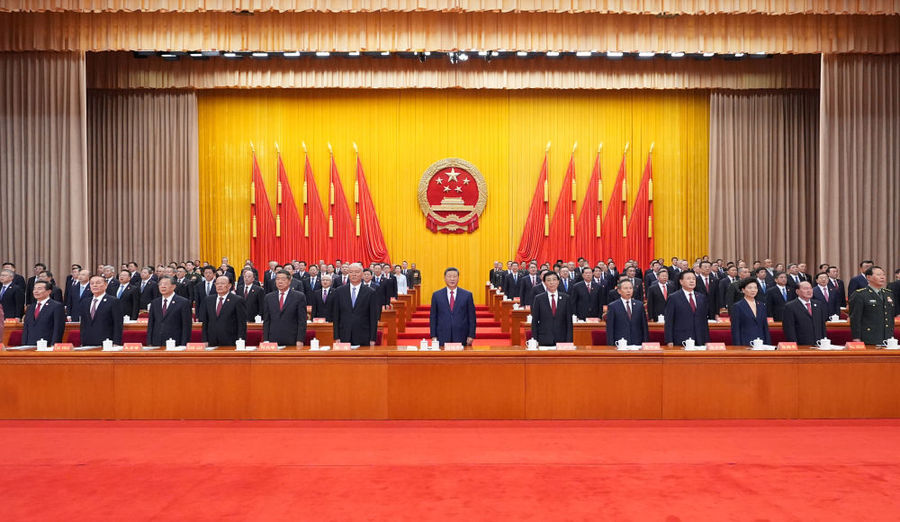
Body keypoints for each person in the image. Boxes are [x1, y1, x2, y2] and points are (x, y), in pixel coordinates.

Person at [332, 263, 379, 346]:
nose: (354, 274)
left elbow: (373, 317)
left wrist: (372, 338)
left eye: (357, 272)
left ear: (362, 274)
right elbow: (336, 316)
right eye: (351, 272)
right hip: (344, 334)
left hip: (364, 335)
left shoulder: (370, 292)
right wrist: (336, 336)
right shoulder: (339, 291)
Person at [429, 267, 477, 346]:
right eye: (449, 276)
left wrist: (471, 335)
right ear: (444, 278)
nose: (452, 279)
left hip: (462, 335)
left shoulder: (467, 295)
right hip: (442, 335)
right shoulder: (437, 295)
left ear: (458, 278)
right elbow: (433, 317)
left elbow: (472, 317)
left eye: (454, 276)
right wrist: (433, 335)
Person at [849, 266, 895, 345]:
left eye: (883, 275)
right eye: (878, 275)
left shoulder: (888, 293)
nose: (882, 277)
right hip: (868, 337)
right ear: (868, 277)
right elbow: (855, 318)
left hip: (887, 338)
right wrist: (856, 338)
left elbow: (890, 316)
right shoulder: (860, 294)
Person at [262, 270, 308, 346]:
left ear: (289, 281)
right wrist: (266, 339)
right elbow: (266, 320)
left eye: (283, 279)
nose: (280, 282)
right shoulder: (269, 297)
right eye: (277, 279)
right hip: (273, 339)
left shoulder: (299, 296)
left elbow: (302, 321)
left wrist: (300, 340)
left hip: (292, 339)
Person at [664, 271, 710, 346]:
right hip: (681, 339)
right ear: (681, 282)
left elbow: (704, 321)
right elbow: (669, 321)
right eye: (688, 279)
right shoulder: (673, 297)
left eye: (693, 279)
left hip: (700, 339)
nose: (692, 281)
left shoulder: (701, 297)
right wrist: (669, 340)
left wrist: (706, 340)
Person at [199, 275, 247, 346]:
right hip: (212, 341)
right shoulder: (208, 300)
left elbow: (241, 323)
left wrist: (240, 341)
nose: (219, 286)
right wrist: (205, 340)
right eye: (217, 283)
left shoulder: (237, 300)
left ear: (229, 286)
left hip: (230, 341)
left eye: (222, 283)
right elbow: (205, 322)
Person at [529, 271, 573, 346]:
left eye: (554, 279)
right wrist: (535, 340)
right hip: (544, 339)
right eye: (548, 280)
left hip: (562, 339)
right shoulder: (539, 298)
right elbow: (535, 321)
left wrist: (569, 341)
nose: (551, 282)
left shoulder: (566, 298)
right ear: (544, 283)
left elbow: (569, 322)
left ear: (558, 282)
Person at [146, 276, 192, 346]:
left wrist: (184, 345)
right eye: (160, 284)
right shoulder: (155, 302)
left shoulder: (183, 302)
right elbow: (151, 324)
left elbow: (186, 326)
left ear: (173, 286)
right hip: (157, 342)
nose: (162, 286)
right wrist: (149, 342)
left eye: (165, 284)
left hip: (175, 342)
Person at [78, 275, 124, 345]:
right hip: (87, 342)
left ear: (105, 285)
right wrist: (82, 341)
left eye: (98, 283)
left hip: (106, 342)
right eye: (92, 283)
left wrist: (116, 343)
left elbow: (118, 324)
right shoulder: (85, 302)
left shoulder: (113, 301)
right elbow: (83, 324)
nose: (94, 285)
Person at [605, 279, 649, 346]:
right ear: (619, 291)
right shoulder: (613, 306)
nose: (628, 291)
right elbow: (610, 328)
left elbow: (644, 327)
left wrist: (645, 343)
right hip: (620, 344)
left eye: (630, 288)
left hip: (637, 344)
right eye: (625, 288)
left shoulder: (639, 305)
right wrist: (611, 345)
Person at [22, 281, 65, 345]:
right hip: (30, 345)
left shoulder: (56, 306)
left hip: (47, 344)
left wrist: (54, 345)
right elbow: (26, 328)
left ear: (49, 291)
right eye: (34, 289)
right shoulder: (30, 307)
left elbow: (58, 329)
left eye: (39, 289)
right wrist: (24, 344)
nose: (36, 291)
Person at [730, 279, 771, 346]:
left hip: (761, 343)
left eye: (755, 288)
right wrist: (738, 347)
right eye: (750, 288)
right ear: (743, 290)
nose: (753, 290)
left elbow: (765, 327)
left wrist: (768, 344)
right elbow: (735, 329)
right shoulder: (737, 306)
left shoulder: (761, 305)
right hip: (745, 343)